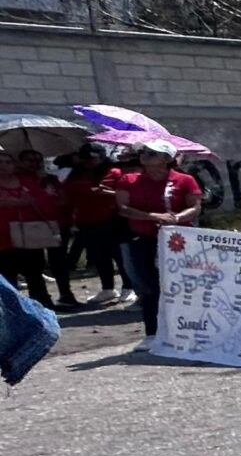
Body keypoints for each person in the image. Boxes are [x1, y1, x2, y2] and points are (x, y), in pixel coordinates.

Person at [112, 140, 200, 343]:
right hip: (144, 237)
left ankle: (190, 327)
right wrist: (152, 216)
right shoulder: (129, 180)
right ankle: (152, 332)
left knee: (182, 284)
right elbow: (123, 208)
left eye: (153, 153)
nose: (145, 155)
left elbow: (194, 207)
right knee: (149, 285)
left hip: (177, 240)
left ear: (166, 158)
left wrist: (177, 217)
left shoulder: (184, 180)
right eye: (144, 152)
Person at [0, 149, 67, 311]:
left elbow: (43, 201)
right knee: (7, 276)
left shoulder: (25, 181)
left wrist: (25, 201)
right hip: (3, 237)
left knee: (35, 273)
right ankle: (13, 311)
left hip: (29, 235)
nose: (3, 166)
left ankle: (43, 305)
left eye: (7, 162)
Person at [59, 145, 125, 306]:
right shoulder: (76, 174)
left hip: (111, 220)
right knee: (99, 257)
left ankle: (128, 287)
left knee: (119, 257)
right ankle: (107, 288)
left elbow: (124, 195)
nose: (88, 162)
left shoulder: (114, 172)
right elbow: (67, 195)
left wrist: (105, 193)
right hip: (86, 221)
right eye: (85, 159)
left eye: (92, 159)